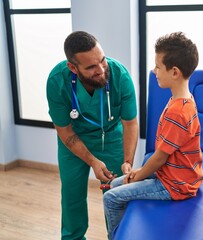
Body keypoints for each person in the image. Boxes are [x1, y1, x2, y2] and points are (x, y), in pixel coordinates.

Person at [103, 31, 203, 240]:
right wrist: (139, 172)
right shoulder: (184, 99)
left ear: (174, 72)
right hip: (172, 174)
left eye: (158, 66)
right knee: (114, 185)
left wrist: (137, 175)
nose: (154, 70)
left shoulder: (178, 111)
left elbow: (160, 157)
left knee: (111, 197)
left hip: (175, 185)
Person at [46, 31, 138, 240]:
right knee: (72, 195)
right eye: (91, 67)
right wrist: (92, 161)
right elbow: (64, 130)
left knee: (117, 193)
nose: (101, 69)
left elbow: (130, 123)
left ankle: (119, 236)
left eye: (102, 60)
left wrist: (127, 161)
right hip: (74, 140)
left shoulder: (119, 75)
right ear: (73, 67)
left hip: (112, 138)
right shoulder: (56, 81)